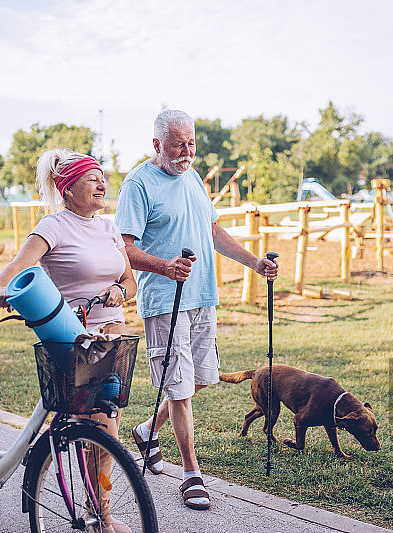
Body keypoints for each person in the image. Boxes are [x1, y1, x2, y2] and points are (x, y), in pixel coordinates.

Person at [115, 109, 278, 510]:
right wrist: (166, 267)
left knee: (201, 378)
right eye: (177, 144)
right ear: (157, 145)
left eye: (190, 143)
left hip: (203, 296)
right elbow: (124, 249)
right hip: (165, 300)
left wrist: (254, 262)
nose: (186, 152)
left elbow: (213, 231)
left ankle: (148, 431)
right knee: (180, 388)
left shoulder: (192, 178)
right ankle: (191, 473)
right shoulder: (138, 184)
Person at [0, 148, 136, 533]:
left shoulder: (109, 228)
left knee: (99, 421)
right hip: (74, 338)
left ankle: (92, 508)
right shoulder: (54, 226)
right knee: (103, 425)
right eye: (92, 178)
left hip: (112, 337)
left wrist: (120, 290)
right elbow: (21, 264)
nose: (102, 183)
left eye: (103, 177)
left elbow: (130, 281)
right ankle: (100, 514)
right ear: (67, 188)